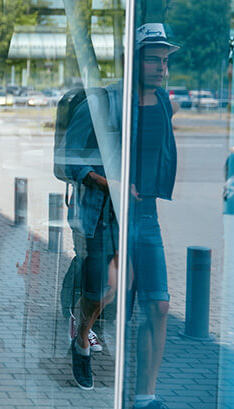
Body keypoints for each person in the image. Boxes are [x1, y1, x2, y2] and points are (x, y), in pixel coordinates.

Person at [64, 24, 178, 408]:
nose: (161, 68)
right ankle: (81, 340)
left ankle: (146, 395)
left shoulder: (163, 103)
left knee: (159, 305)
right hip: (103, 215)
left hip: (145, 217)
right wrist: (106, 181)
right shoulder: (103, 102)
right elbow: (65, 162)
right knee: (103, 294)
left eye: (165, 61)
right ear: (134, 61)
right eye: (153, 59)